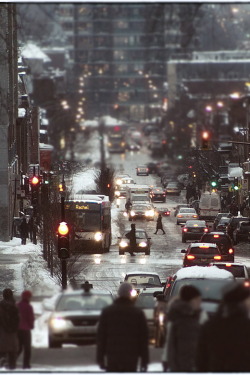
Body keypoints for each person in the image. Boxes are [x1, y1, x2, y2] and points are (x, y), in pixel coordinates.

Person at [196, 283, 250, 372]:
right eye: (247, 300)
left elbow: (201, 360)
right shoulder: (245, 327)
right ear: (241, 303)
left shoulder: (210, 326)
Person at [97, 282, 149, 372]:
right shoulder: (137, 313)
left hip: (112, 355)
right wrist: (145, 360)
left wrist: (100, 358)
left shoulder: (107, 312)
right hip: (131, 355)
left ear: (119, 294)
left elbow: (101, 337)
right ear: (130, 294)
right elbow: (143, 339)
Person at [162, 285, 207, 372]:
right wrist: (166, 359)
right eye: (197, 299)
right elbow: (170, 342)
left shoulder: (201, 315)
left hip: (197, 364)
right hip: (179, 365)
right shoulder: (175, 315)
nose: (200, 302)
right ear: (190, 301)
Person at [0, 288, 19, 370]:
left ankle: (2, 360)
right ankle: (12, 365)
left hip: (2, 330)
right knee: (12, 349)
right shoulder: (14, 305)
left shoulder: (1, 305)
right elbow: (18, 318)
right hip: (13, 331)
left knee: (2, 347)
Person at [17, 290, 35, 369]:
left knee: (19, 347)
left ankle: (11, 361)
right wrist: (31, 326)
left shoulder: (17, 305)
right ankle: (26, 364)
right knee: (27, 348)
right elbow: (30, 318)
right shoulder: (28, 307)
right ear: (28, 297)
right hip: (26, 329)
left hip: (17, 329)